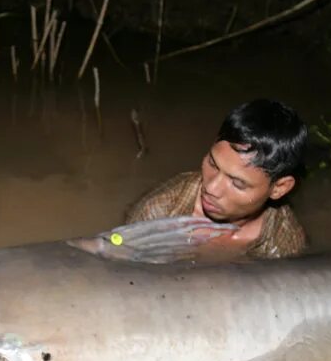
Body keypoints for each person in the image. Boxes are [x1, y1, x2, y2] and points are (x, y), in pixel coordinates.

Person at [125, 98, 308, 259]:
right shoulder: (156, 215)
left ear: (279, 188)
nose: (211, 188)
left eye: (237, 183)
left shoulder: (284, 239)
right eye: (213, 164)